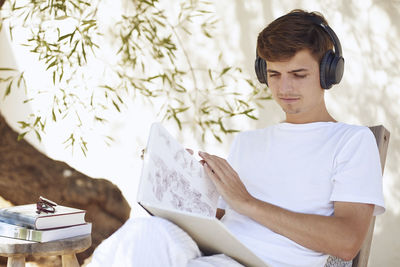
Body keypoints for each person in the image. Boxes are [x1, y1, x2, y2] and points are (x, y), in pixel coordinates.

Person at [87, 9, 384, 267]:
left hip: (264, 263)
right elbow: (228, 218)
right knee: (144, 232)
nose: (284, 87)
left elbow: (347, 242)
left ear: (328, 73)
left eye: (298, 74)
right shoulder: (248, 143)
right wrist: (182, 181)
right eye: (275, 74)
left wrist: (248, 202)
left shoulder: (351, 141)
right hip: (217, 254)